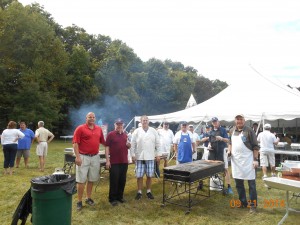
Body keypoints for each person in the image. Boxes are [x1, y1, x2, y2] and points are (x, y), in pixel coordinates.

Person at [73, 112, 106, 211]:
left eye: (93, 117)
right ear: (86, 118)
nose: (91, 118)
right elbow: (75, 143)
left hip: (95, 157)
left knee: (91, 179)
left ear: (95, 119)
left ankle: (88, 198)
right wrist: (78, 157)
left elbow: (103, 142)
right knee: (81, 180)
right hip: (83, 157)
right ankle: (79, 201)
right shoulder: (80, 128)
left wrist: (114, 145)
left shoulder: (98, 129)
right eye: (89, 117)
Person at [228, 114, 259, 213]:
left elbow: (255, 146)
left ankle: (253, 205)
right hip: (236, 161)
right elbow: (230, 143)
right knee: (238, 183)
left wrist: (255, 160)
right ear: (235, 121)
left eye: (241, 119)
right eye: (237, 119)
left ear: (244, 121)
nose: (239, 121)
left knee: (251, 184)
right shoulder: (232, 130)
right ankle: (242, 202)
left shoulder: (249, 130)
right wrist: (229, 151)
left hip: (248, 160)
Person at [130, 115, 161, 200]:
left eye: (146, 120)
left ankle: (148, 191)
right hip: (139, 157)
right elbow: (132, 145)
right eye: (143, 120)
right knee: (139, 176)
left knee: (149, 176)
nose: (145, 121)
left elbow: (158, 144)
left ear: (148, 121)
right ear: (140, 121)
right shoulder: (136, 131)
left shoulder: (153, 131)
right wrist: (133, 155)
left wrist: (158, 154)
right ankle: (139, 192)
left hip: (150, 156)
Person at [105, 118, 131, 206]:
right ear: (114, 125)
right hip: (114, 161)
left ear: (123, 125)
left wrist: (129, 145)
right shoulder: (110, 134)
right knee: (114, 180)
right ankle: (112, 198)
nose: (119, 126)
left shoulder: (125, 135)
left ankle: (120, 197)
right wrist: (107, 160)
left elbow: (128, 146)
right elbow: (107, 147)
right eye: (118, 124)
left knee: (122, 180)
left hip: (124, 161)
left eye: (121, 124)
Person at [207, 117, 233, 194]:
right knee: (211, 168)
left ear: (218, 122)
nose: (215, 123)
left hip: (222, 151)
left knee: (225, 169)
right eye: (213, 122)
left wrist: (221, 138)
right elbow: (210, 141)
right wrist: (209, 145)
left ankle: (229, 187)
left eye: (216, 121)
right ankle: (214, 184)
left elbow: (228, 140)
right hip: (213, 152)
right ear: (212, 123)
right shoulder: (211, 131)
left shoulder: (223, 130)